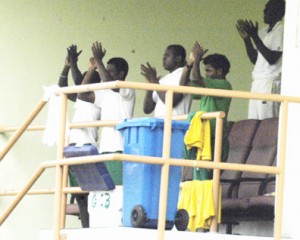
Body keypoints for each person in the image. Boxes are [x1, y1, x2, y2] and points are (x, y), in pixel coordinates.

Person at [78, 41, 135, 186]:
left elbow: (107, 80)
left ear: (121, 74)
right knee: (107, 190)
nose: (106, 73)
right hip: (104, 149)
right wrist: (92, 68)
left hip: (120, 147)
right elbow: (81, 95)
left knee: (119, 190)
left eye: (111, 71)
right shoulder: (104, 91)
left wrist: (98, 60)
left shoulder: (127, 89)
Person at [58, 44, 101, 228]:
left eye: (87, 78)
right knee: (80, 195)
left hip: (87, 147)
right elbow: (63, 88)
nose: (83, 80)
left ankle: (92, 229)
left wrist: (91, 68)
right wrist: (69, 65)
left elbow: (82, 89)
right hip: (74, 147)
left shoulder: (97, 96)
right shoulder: (83, 95)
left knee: (89, 193)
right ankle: (85, 231)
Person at [180, 41, 232, 180]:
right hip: (204, 138)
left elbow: (196, 78)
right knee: (201, 179)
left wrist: (196, 59)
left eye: (209, 71)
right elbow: (183, 85)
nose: (206, 75)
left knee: (207, 180)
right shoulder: (207, 87)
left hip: (216, 139)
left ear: (220, 72)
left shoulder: (223, 85)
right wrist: (189, 63)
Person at [236, 0, 285, 119]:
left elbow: (272, 58)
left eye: (268, 8)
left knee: (267, 123)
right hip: (257, 82)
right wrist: (247, 39)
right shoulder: (263, 31)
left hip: (269, 83)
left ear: (279, 12)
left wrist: (255, 37)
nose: (264, 11)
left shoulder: (282, 30)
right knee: (253, 122)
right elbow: (255, 59)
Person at [141, 44, 191, 117]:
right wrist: (150, 86)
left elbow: (170, 102)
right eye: (164, 56)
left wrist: (154, 81)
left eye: (167, 56)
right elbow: (147, 109)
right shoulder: (162, 79)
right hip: (159, 125)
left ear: (178, 58)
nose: (163, 58)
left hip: (175, 125)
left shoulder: (183, 74)